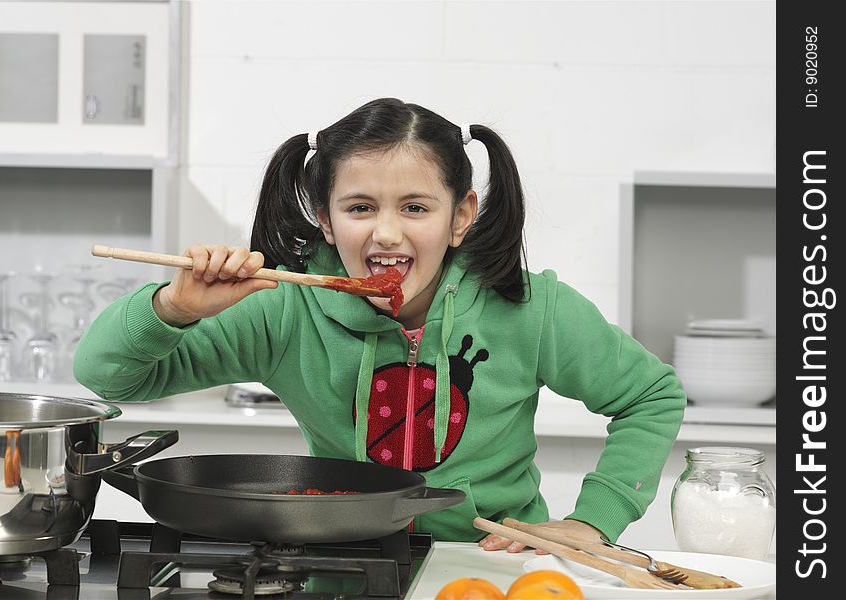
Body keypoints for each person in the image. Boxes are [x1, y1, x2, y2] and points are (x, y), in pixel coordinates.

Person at [74, 97, 686, 550]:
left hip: (493, 562)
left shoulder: (529, 306)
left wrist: (592, 521)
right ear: (323, 215)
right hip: (336, 561)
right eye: (359, 207)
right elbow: (109, 378)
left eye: (415, 208)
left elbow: (652, 396)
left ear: (460, 216)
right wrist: (172, 310)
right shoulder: (282, 310)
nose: (386, 233)